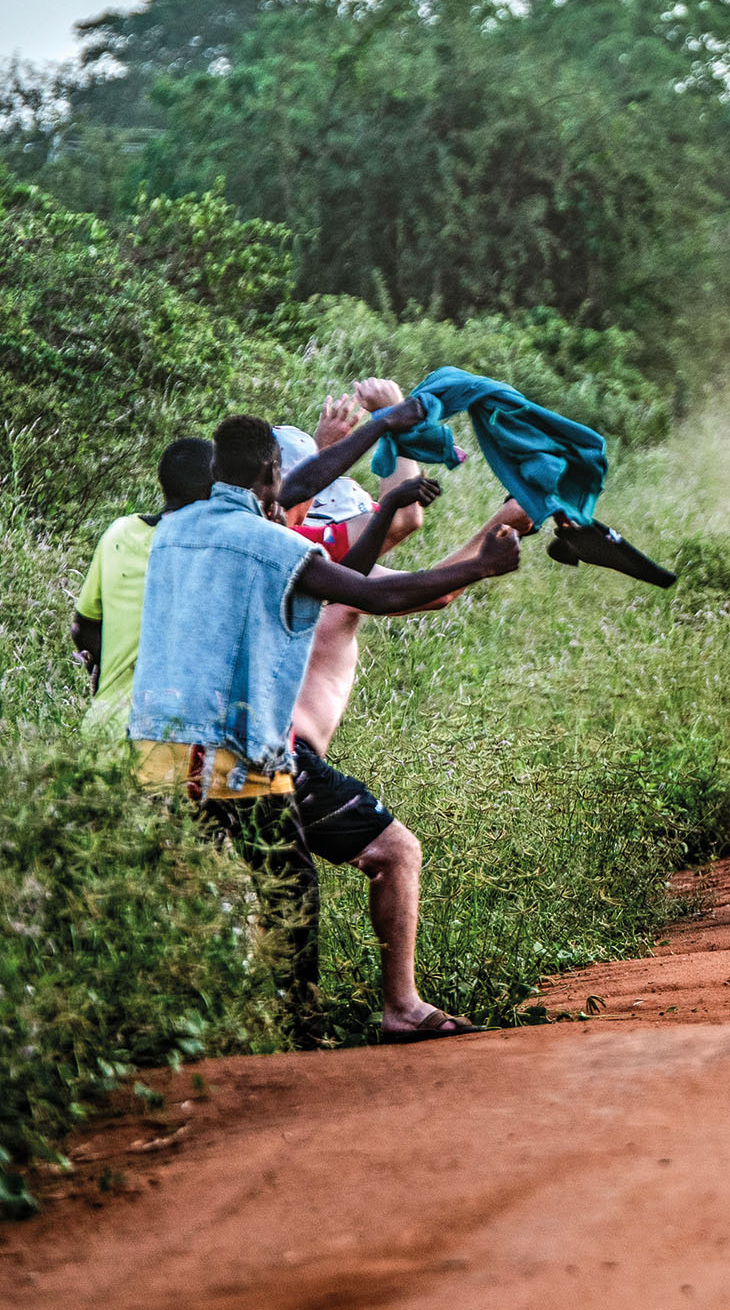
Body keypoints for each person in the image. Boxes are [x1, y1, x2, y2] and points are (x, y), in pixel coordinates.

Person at [129, 414, 521, 1043]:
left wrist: (383, 446)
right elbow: (378, 597)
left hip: (159, 744)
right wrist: (480, 567)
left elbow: (343, 580)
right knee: (289, 882)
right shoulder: (271, 545)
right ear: (270, 473)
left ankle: (172, 1031)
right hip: (234, 750)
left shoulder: (177, 530)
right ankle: (299, 1029)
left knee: (186, 886)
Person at [70, 438, 215, 737]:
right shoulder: (211, 547)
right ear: (212, 490)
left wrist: (106, 669)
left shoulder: (119, 533)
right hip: (166, 739)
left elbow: (82, 627)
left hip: (104, 726)